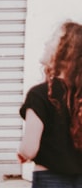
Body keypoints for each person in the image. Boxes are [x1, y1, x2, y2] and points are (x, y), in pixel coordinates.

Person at [18, 21, 82, 186]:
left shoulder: (40, 95)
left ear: (66, 51)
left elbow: (29, 149)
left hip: (50, 179)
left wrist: (22, 152)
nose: (46, 43)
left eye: (53, 39)